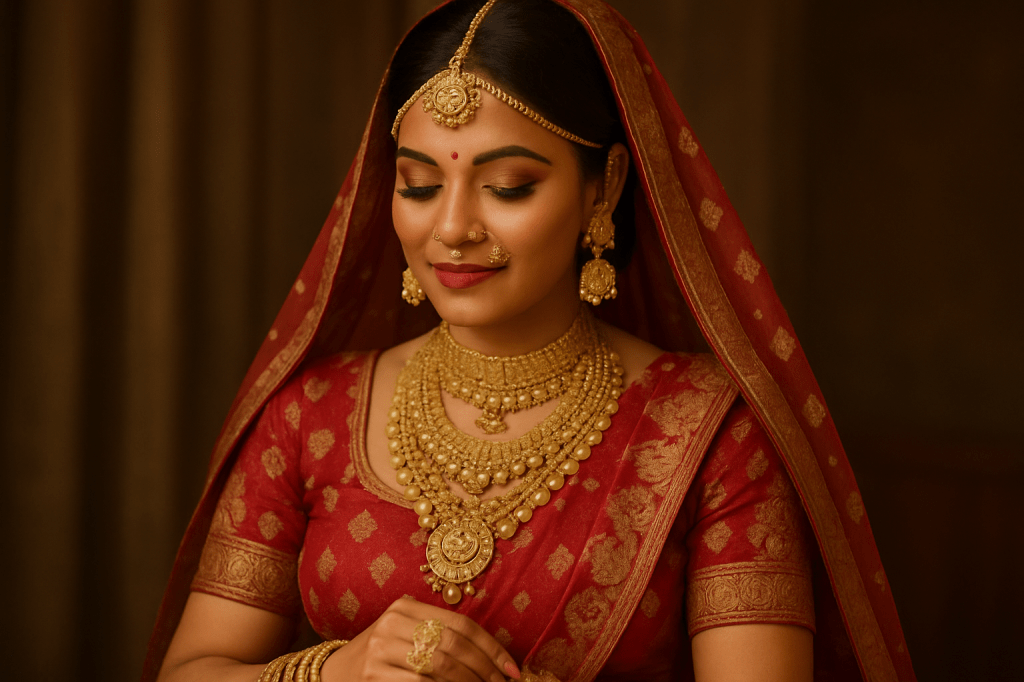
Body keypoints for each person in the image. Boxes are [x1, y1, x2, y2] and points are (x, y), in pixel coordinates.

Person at [145, 1, 915, 681]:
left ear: (604, 187)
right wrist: (336, 671)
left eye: (508, 185)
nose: (450, 228)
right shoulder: (310, 415)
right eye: (417, 185)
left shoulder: (712, 435)